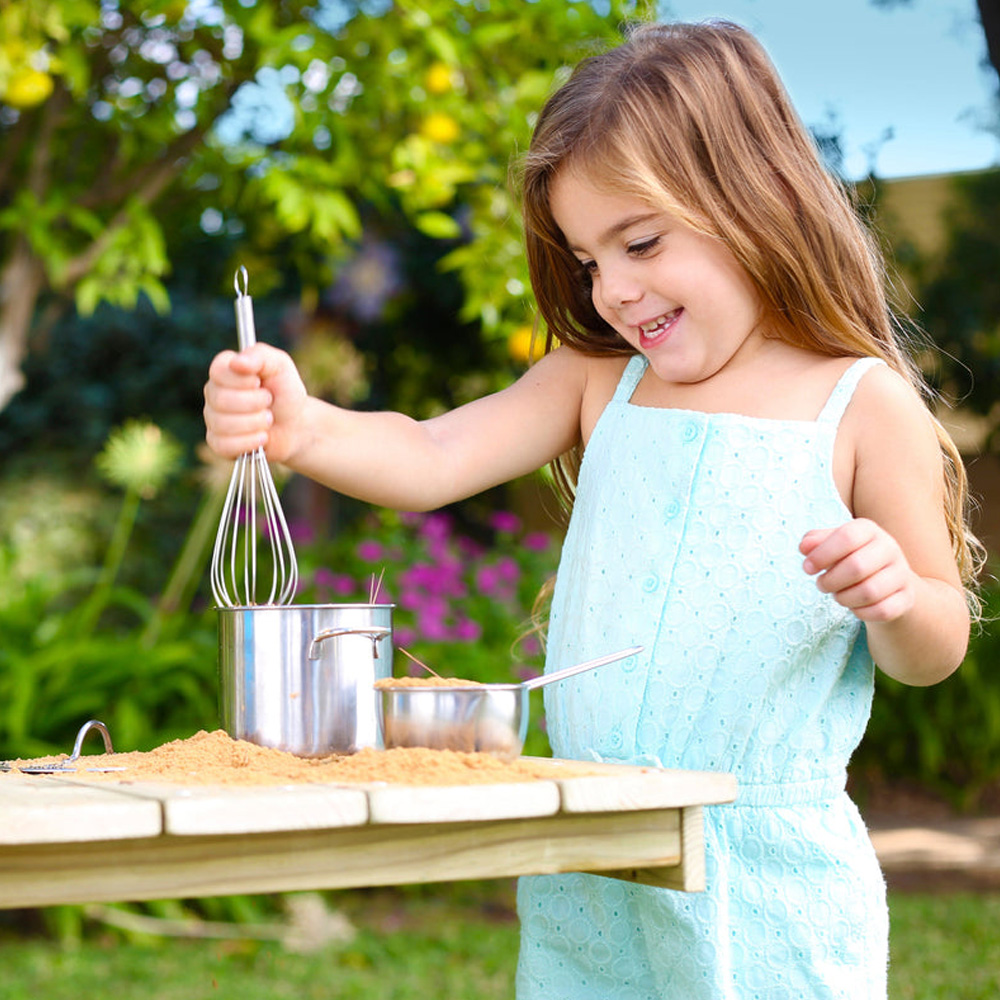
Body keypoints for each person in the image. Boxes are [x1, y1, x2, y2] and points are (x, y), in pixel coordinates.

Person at [204, 20, 982, 999]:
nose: (611, 290)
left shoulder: (859, 403)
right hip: (590, 850)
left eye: (640, 242)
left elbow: (937, 640)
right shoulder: (595, 380)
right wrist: (302, 426)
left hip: (764, 874)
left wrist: (897, 597)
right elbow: (433, 453)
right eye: (585, 261)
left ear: (756, 195)